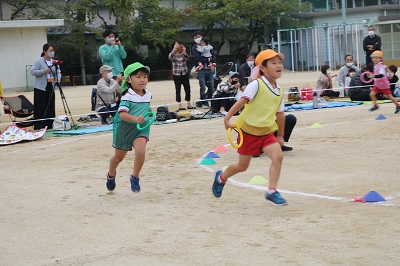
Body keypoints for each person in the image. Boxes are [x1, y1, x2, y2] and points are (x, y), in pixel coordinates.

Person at [211, 49, 287, 205]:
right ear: (263, 68)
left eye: (280, 62)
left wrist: (280, 135)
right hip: (248, 132)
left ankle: (271, 191)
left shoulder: (279, 91)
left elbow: (280, 114)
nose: (279, 65)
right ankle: (221, 178)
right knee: (242, 166)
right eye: (273, 63)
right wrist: (227, 117)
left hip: (266, 132)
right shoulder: (257, 85)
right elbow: (242, 101)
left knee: (278, 156)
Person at [106, 62, 152, 192]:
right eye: (138, 77)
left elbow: (145, 108)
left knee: (141, 151)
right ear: (129, 79)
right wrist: (135, 118)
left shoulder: (148, 94)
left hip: (141, 128)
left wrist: (147, 117)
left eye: (144, 76)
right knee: (118, 158)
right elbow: (122, 114)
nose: (142, 80)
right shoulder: (127, 96)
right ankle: (111, 175)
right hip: (125, 130)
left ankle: (135, 177)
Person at [31, 43, 61, 130]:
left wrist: (58, 79)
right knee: (40, 106)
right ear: (45, 51)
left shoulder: (54, 61)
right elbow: (33, 72)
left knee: (50, 105)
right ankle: (40, 126)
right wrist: (43, 71)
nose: (52, 52)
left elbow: (58, 71)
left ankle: (50, 125)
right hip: (40, 87)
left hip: (51, 85)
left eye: (53, 50)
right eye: (50, 50)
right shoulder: (39, 61)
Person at [191, 31, 216, 108]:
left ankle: (210, 101)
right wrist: (209, 59)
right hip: (201, 69)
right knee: (203, 87)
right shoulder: (195, 48)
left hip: (209, 68)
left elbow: (214, 56)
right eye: (196, 37)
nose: (198, 39)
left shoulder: (209, 46)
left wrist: (213, 64)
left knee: (211, 86)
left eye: (199, 37)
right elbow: (198, 58)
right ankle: (204, 102)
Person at [168, 41, 193, 110]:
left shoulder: (182, 53)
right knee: (178, 89)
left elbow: (188, 59)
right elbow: (170, 58)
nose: (177, 46)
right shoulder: (172, 54)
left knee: (187, 88)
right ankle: (180, 104)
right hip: (176, 74)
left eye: (178, 45)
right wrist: (174, 50)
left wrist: (184, 51)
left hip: (184, 73)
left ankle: (188, 103)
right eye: (175, 45)